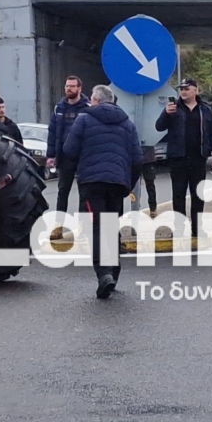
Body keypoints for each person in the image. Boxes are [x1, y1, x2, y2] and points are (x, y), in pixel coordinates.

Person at [59, 84, 141, 299]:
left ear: (94, 100)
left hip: (92, 182)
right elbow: (137, 159)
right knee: (111, 225)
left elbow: (69, 150)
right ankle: (114, 270)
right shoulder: (127, 124)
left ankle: (104, 273)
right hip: (117, 183)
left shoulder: (84, 120)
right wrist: (127, 185)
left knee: (96, 226)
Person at [157, 79, 212, 249]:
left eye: (187, 89)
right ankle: (179, 228)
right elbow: (159, 127)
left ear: (196, 91)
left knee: (198, 195)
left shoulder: (205, 110)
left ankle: (197, 228)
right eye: (181, 89)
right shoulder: (174, 108)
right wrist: (166, 113)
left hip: (198, 158)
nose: (183, 91)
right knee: (178, 195)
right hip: (178, 158)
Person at [48, 75, 92, 213]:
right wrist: (50, 155)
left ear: (79, 88)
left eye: (72, 86)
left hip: (83, 156)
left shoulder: (88, 108)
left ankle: (82, 222)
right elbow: (52, 132)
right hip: (64, 156)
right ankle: (59, 222)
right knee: (62, 191)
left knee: (84, 192)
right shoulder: (59, 108)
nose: (69, 88)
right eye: (67, 86)